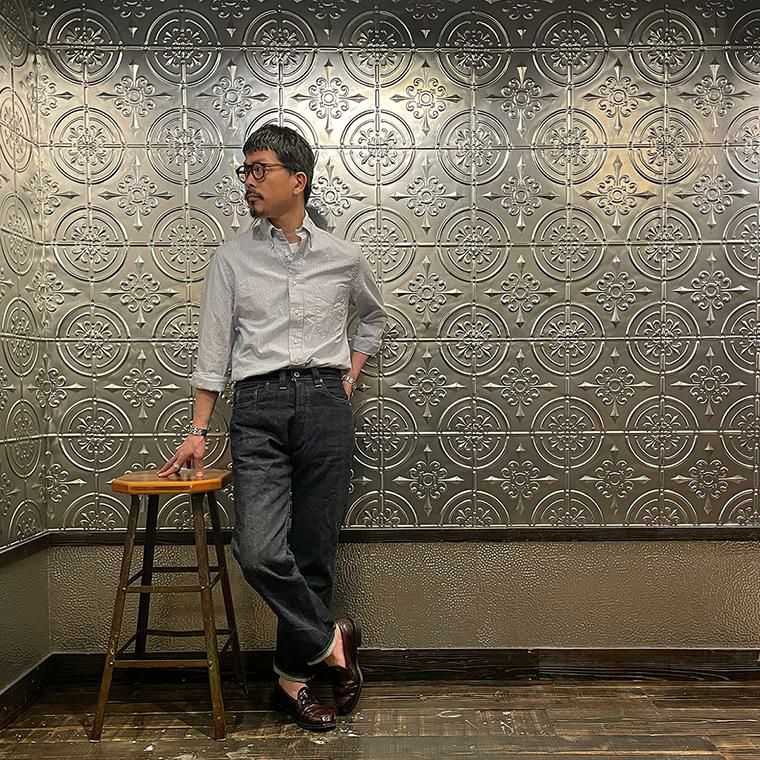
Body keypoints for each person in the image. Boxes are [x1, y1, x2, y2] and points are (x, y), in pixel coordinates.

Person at [158, 124, 387, 731]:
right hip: (257, 407)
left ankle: (292, 682)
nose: (249, 181)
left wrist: (350, 374)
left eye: (259, 169)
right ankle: (333, 641)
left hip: (326, 406)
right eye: (246, 171)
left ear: (297, 179)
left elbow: (373, 318)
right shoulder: (232, 258)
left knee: (314, 551)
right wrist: (198, 428)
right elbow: (213, 349)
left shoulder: (343, 256)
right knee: (258, 550)